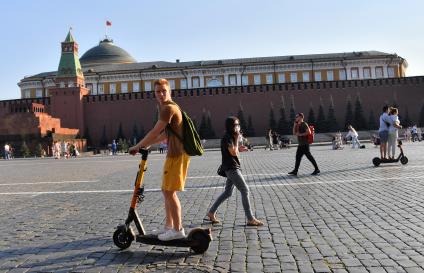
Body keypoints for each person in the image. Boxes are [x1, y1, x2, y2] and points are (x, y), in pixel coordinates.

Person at [129, 78, 190, 241]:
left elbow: (155, 132)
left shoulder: (168, 108)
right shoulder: (170, 107)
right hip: (175, 153)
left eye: (164, 91)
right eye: (158, 92)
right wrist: (147, 145)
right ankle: (169, 227)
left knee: (170, 192)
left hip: (177, 155)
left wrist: (137, 146)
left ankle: (177, 230)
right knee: (166, 191)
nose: (161, 94)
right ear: (154, 93)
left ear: (169, 91)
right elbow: (165, 134)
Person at [206, 116, 263, 226]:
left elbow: (234, 151)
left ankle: (211, 212)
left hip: (232, 167)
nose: (238, 127)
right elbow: (232, 152)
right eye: (236, 125)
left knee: (228, 192)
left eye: (238, 124)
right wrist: (237, 140)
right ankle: (250, 218)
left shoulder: (230, 137)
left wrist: (240, 149)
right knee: (245, 190)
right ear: (231, 126)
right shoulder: (228, 137)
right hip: (232, 168)